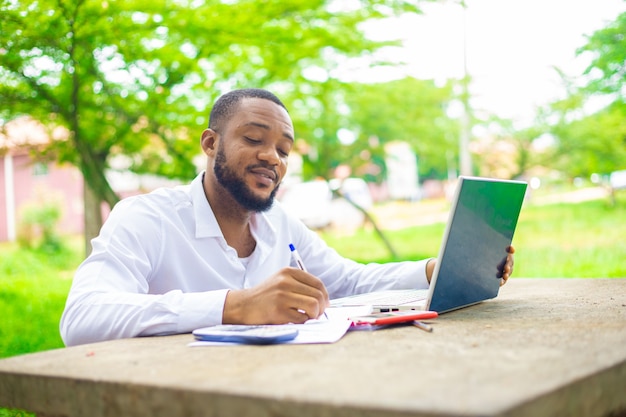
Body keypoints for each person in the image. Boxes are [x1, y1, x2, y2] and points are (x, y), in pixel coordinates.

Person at [60, 88, 514, 346]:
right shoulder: (147, 218)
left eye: (283, 149)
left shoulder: (280, 222)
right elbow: (81, 317)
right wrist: (236, 306)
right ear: (210, 143)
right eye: (254, 139)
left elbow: (347, 281)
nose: (271, 158)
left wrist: (433, 269)